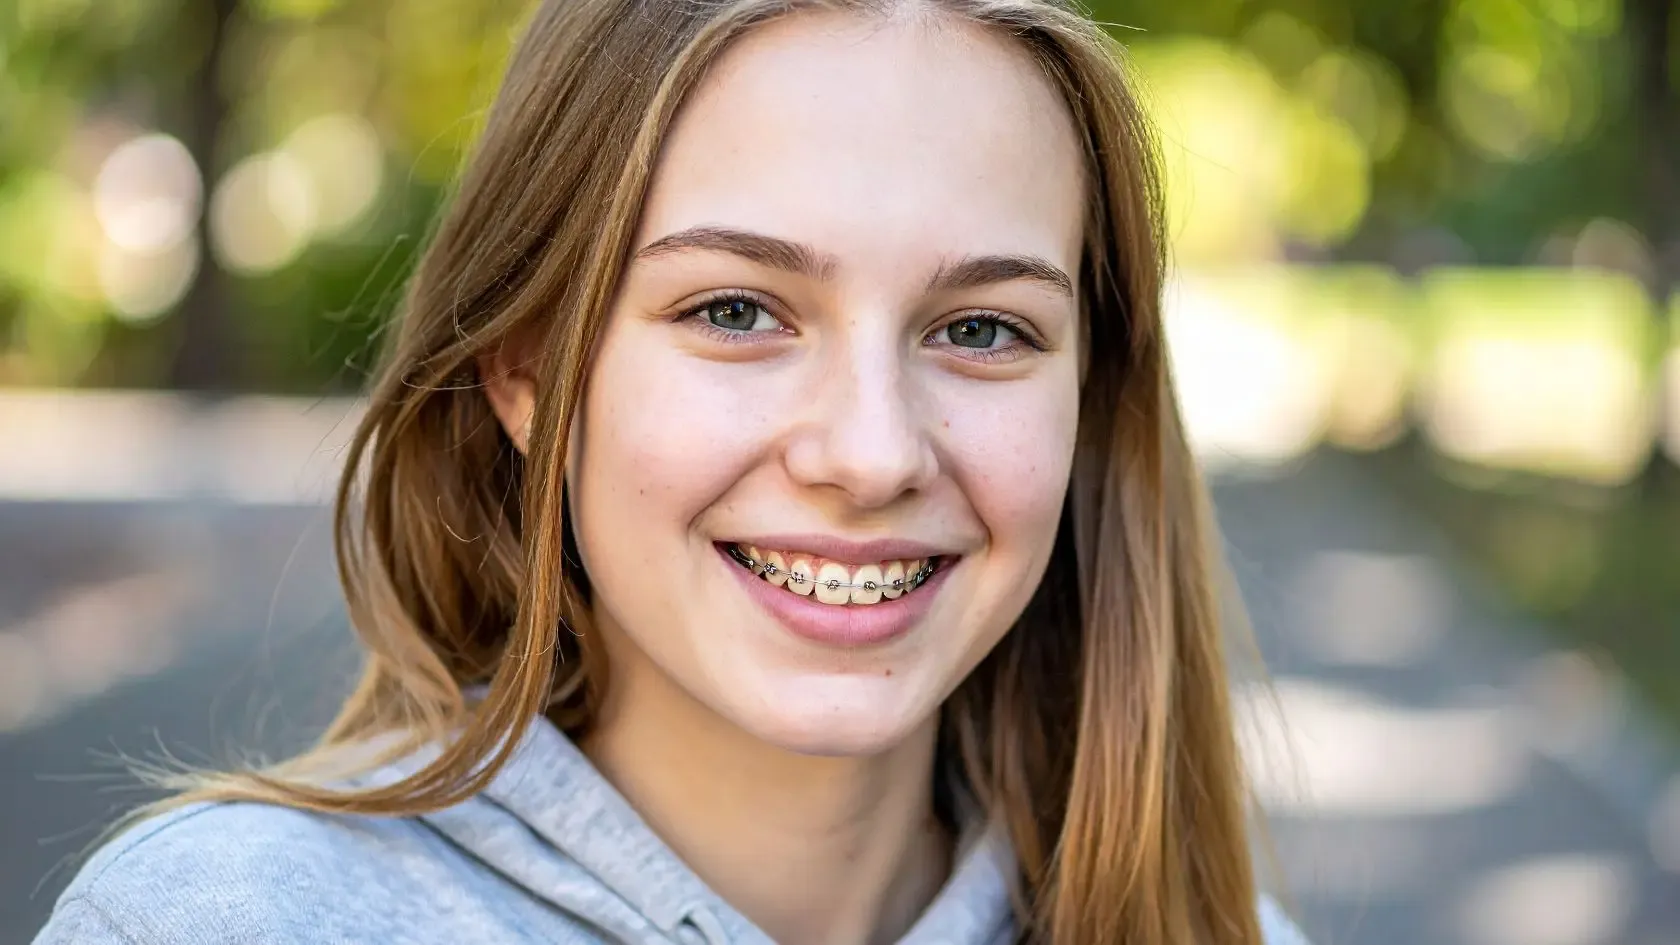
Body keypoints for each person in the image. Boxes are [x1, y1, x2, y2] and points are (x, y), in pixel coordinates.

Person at [36, 0, 1311, 942]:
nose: (869, 454)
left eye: (981, 330)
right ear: (527, 372)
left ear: (1090, 404)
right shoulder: (222, 922)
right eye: (738, 311)